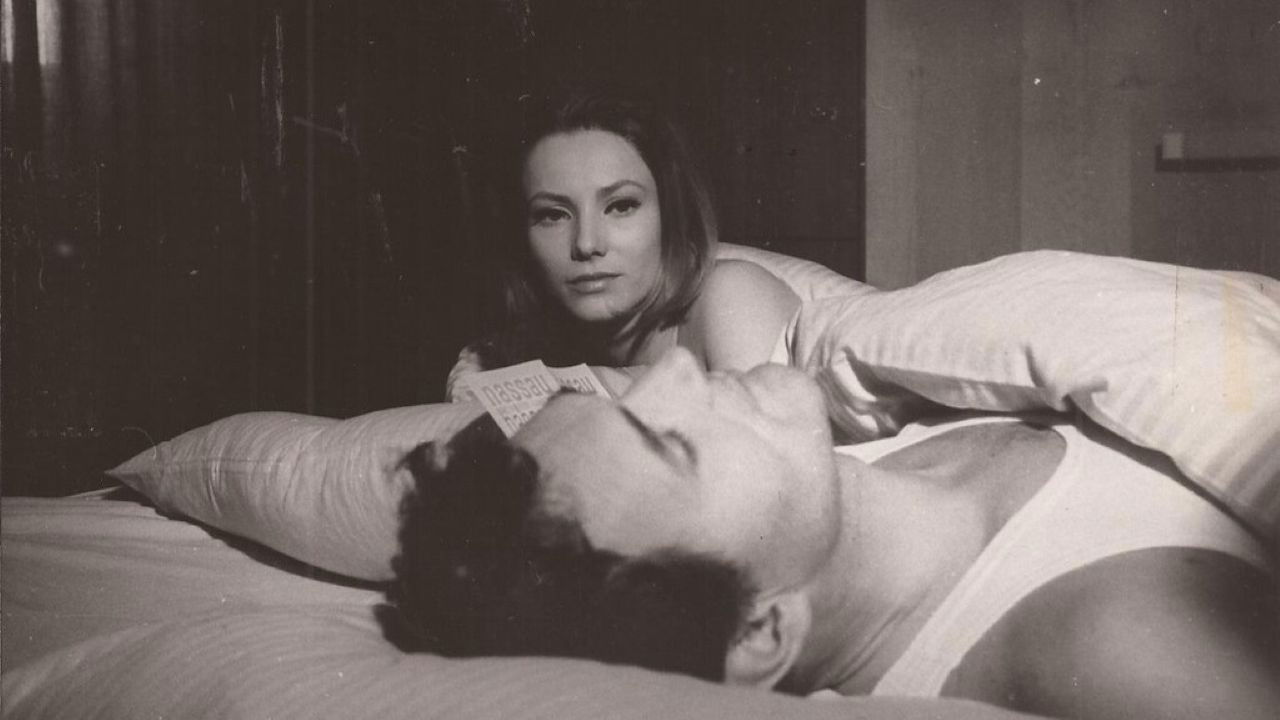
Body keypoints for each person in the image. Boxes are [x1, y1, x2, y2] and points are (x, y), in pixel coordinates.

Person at [392, 347, 1278, 720]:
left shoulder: (822, 472)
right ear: (759, 628)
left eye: (624, 394)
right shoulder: (1120, 638)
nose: (676, 364)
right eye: (669, 441)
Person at [446, 90, 799, 399]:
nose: (586, 244)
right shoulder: (525, 346)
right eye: (553, 215)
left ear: (671, 214)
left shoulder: (734, 296)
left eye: (621, 206)